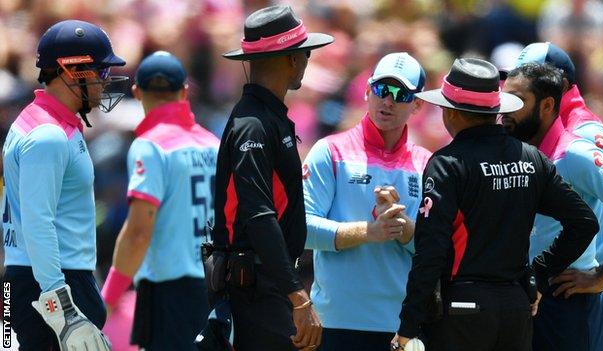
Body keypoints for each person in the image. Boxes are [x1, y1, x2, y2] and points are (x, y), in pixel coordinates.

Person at [394, 58, 599, 351]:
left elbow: (431, 250)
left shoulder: (446, 164)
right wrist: (536, 275)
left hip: (462, 314)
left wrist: (407, 327)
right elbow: (584, 223)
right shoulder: (532, 158)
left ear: (452, 112)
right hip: (516, 310)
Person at [2, 19, 127, 350]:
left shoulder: (40, 123)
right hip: (51, 285)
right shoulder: (49, 136)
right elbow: (37, 222)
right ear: (74, 72)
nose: (105, 82)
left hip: (29, 281)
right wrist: (63, 308)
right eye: (100, 72)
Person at [214, 5, 333, 351]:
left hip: (267, 284)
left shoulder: (267, 117)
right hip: (256, 289)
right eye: (306, 53)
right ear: (291, 59)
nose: (308, 61)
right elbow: (259, 213)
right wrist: (298, 297)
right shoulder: (253, 122)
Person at [302, 52, 430, 350]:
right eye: (381, 90)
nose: (388, 100)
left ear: (418, 105)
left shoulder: (427, 164)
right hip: (334, 323)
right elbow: (301, 228)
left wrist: (406, 230)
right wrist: (369, 232)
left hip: (400, 325)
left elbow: (439, 247)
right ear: (367, 91)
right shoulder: (329, 151)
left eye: (400, 94)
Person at [100, 51, 219, 350]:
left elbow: (139, 232)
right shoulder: (214, 144)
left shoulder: (149, 146)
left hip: (170, 292)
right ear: (184, 91)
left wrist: (109, 298)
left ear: (137, 92)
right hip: (217, 287)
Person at [502, 62, 603, 351]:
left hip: (569, 300)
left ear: (546, 105)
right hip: (530, 297)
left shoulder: (573, 153)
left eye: (517, 100)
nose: (505, 110)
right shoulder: (518, 153)